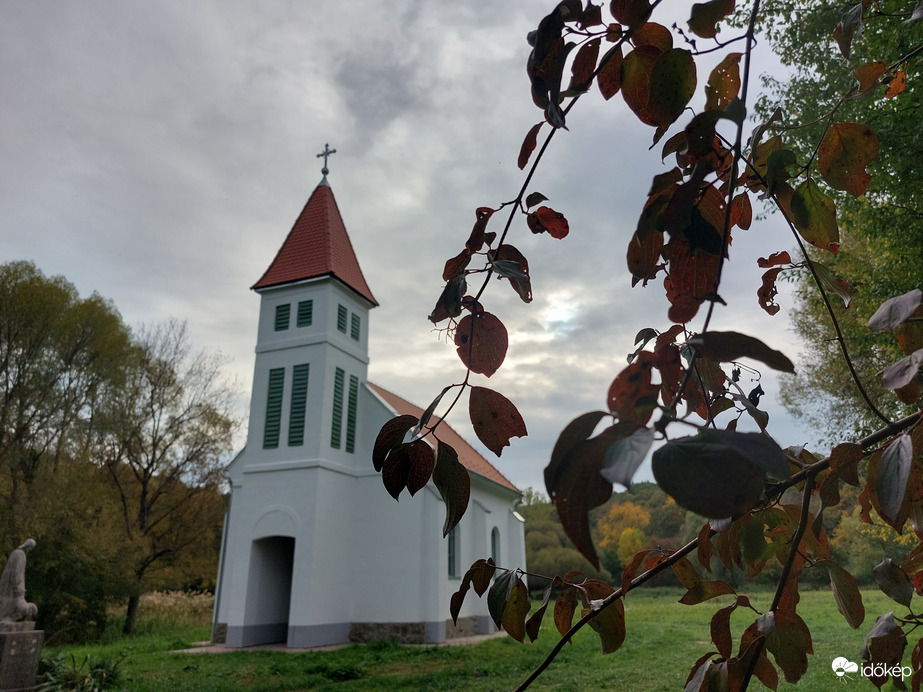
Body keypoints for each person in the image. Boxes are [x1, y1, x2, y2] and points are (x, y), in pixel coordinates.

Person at [0, 539, 37, 622]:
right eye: (31, 548)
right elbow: (17, 572)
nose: (30, 550)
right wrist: (18, 586)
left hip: (9, 584)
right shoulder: (21, 555)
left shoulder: (15, 552)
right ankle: (8, 618)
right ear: (27, 546)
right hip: (15, 586)